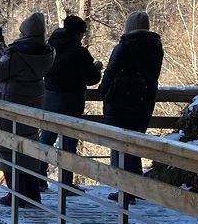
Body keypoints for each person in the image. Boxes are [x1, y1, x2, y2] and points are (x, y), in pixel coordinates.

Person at [0, 12, 55, 206]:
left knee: (7, 149)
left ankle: (16, 195)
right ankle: (31, 194)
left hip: (9, 103)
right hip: (32, 104)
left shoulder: (17, 53)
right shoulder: (46, 52)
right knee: (27, 149)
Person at [100, 11, 164, 204]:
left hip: (120, 101)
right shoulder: (156, 47)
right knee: (134, 145)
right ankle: (136, 187)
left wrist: (103, 91)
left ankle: (124, 190)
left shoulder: (125, 46)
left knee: (119, 144)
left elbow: (111, 72)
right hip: (144, 101)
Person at [38, 15, 103, 191]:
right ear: (78, 33)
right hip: (71, 101)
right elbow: (91, 79)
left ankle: (39, 178)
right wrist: (97, 68)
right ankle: (65, 184)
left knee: (46, 139)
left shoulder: (50, 47)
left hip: (49, 99)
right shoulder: (79, 52)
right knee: (68, 143)